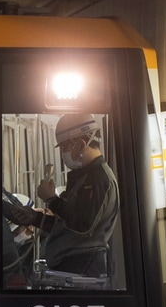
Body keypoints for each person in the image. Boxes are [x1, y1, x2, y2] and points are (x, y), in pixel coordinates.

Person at [6, 113, 119, 278]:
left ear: (80, 144)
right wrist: (34, 218)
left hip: (82, 269)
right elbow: (64, 224)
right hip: (68, 265)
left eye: (65, 147)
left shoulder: (98, 179)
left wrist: (51, 199)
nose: (63, 153)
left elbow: (83, 225)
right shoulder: (81, 177)